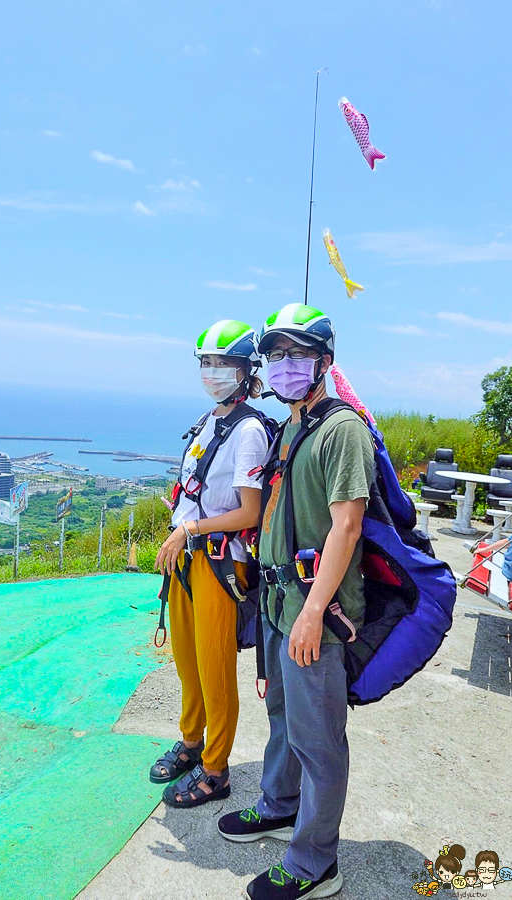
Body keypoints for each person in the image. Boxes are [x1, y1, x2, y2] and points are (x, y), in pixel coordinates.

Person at [218, 302, 375, 900]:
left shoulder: (342, 430)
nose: (285, 366)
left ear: (325, 362)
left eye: (298, 354)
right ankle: (280, 805)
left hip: (318, 612)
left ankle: (316, 862)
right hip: (282, 605)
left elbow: (347, 528)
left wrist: (312, 615)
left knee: (318, 739)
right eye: (276, 355)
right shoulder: (294, 426)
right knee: (283, 716)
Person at [150, 319, 269, 808]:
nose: (212, 372)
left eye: (223, 363)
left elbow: (249, 510)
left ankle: (216, 768)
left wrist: (189, 529)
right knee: (186, 660)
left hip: (219, 565)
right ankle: (192, 740)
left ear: (245, 370)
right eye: (206, 363)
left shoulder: (250, 431)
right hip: (186, 559)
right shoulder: (209, 421)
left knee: (215, 669)